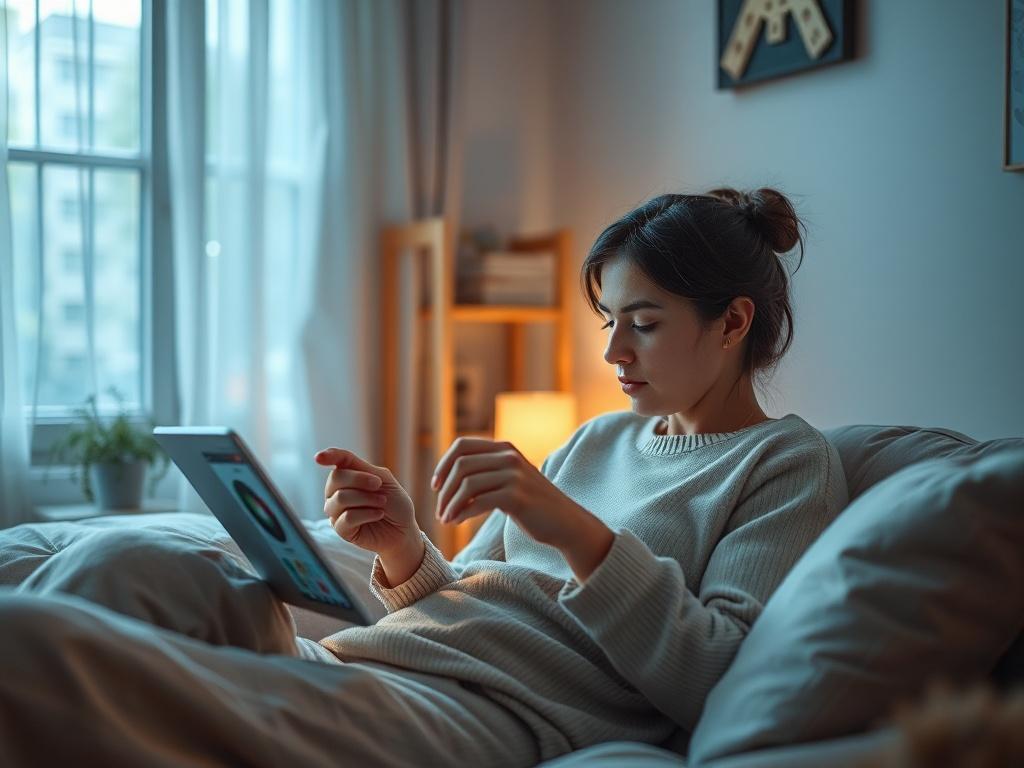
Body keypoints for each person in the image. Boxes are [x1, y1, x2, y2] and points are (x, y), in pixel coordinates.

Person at [0, 187, 848, 767]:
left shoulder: (785, 466)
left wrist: (570, 526)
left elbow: (716, 678)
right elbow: (462, 595)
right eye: (609, 323)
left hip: (486, 712)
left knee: (33, 646)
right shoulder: (597, 439)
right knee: (123, 560)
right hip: (381, 657)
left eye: (645, 324)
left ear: (732, 322)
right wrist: (401, 547)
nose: (614, 352)